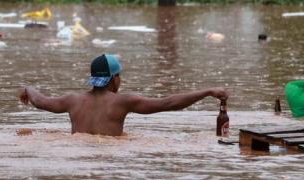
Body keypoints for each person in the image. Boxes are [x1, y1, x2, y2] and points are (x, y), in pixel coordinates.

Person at [19, 54, 228, 136]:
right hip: (111, 157)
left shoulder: (72, 100)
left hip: (78, 153)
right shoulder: (122, 101)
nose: (120, 80)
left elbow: (39, 101)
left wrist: (28, 89)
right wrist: (207, 91)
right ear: (113, 79)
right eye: (119, 76)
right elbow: (169, 103)